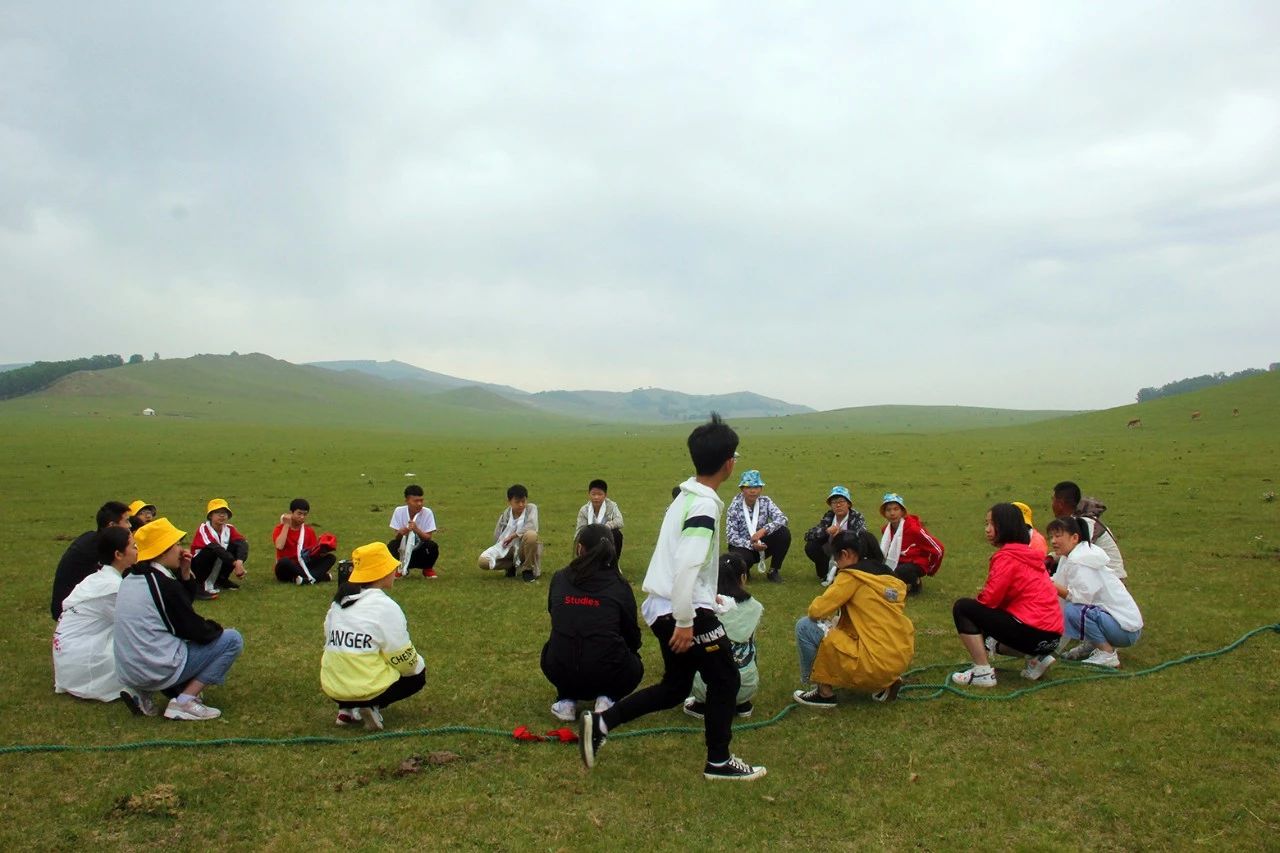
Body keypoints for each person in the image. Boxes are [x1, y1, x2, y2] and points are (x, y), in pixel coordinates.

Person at [580, 413, 766, 782]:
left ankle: (601, 723)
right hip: (682, 609)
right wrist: (685, 621)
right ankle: (718, 761)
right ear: (729, 463)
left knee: (675, 687)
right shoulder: (704, 505)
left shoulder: (685, 495)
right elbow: (687, 564)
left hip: (666, 605)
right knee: (726, 678)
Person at [114, 518, 244, 721]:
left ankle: (142, 693)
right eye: (175, 544)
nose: (180, 549)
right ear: (163, 550)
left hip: (128, 669)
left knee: (172, 641)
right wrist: (216, 631)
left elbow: (179, 605)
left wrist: (185, 573)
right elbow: (191, 628)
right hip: (152, 667)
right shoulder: (162, 585)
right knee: (232, 640)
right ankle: (184, 701)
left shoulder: (131, 577)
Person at [793, 530, 915, 707]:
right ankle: (885, 682)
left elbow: (816, 611)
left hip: (872, 663)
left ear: (846, 554)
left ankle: (823, 692)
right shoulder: (889, 577)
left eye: (836, 557)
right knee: (841, 625)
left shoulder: (851, 576)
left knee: (805, 626)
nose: (835, 562)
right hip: (898, 658)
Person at [951, 503, 1063, 687]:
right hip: (1051, 640)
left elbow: (990, 599)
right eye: (985, 524)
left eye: (990, 524)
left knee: (964, 608)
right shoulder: (1030, 555)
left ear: (1004, 526)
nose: (986, 530)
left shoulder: (1007, 557)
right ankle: (1037, 659)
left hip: (1032, 634)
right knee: (988, 625)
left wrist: (979, 605)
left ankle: (982, 672)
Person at [541, 524, 643, 722]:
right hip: (606, 670)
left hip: (560, 667)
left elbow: (555, 614)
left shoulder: (560, 577)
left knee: (558, 645)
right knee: (634, 662)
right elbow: (632, 635)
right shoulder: (619, 585)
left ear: (580, 548)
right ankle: (607, 698)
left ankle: (566, 699)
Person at [321, 542, 427, 731]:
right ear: (382, 572)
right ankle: (368, 704)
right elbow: (401, 654)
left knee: (356, 657)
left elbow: (328, 637)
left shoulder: (340, 601)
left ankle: (346, 709)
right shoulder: (385, 606)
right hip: (364, 685)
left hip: (333, 685)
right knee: (416, 674)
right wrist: (417, 665)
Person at [53, 527, 153, 713]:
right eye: (133, 546)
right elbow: (135, 625)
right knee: (143, 650)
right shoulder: (111, 587)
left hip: (69, 655)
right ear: (118, 554)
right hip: (79, 660)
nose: (137, 550)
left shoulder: (98, 578)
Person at [1048, 516, 1143, 668]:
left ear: (1074, 538)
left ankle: (1106, 653)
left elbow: (1080, 598)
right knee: (1076, 609)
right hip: (1124, 625)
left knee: (1073, 610)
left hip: (1125, 630)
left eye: (1058, 536)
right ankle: (1094, 645)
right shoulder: (1077, 556)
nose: (1053, 541)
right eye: (1051, 536)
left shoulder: (1080, 560)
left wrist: (1049, 584)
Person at [684, 553, 763, 718]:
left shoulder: (703, 607)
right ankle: (742, 704)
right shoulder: (755, 607)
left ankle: (701, 704)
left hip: (706, 687)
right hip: (746, 685)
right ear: (743, 577)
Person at [50, 501, 131, 621]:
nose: (130, 525)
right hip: (70, 611)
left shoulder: (92, 538)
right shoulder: (98, 550)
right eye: (126, 521)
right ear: (112, 525)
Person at [725, 470, 791, 583]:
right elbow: (731, 537)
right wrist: (751, 545)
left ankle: (773, 571)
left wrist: (764, 530)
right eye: (748, 487)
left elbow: (783, 519)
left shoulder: (766, 501)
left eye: (756, 487)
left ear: (761, 489)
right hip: (742, 546)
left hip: (761, 542)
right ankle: (744, 570)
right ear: (742, 489)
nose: (753, 491)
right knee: (742, 560)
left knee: (783, 532)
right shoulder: (734, 507)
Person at [1050, 481, 1126, 580]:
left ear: (1060, 504)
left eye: (1053, 500)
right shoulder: (1076, 520)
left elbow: (1075, 553)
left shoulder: (1085, 522)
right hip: (1099, 575)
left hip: (1112, 579)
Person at [878, 493, 945, 595]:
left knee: (902, 571)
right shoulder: (885, 530)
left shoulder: (914, 529)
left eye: (896, 509)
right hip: (897, 561)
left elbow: (939, 549)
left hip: (916, 563)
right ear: (884, 513)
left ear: (902, 511)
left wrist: (931, 569)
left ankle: (916, 583)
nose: (892, 513)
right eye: (888, 510)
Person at [477, 484, 542, 583]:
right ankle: (511, 566)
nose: (521, 505)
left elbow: (532, 526)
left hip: (523, 549)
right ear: (509, 502)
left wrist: (513, 536)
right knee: (483, 562)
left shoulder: (531, 509)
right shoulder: (505, 515)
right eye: (517, 502)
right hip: (508, 550)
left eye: (523, 501)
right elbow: (497, 536)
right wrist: (500, 549)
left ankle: (527, 570)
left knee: (531, 535)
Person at [802, 486, 867, 583]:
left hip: (849, 553)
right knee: (811, 546)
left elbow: (861, 537)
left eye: (841, 501)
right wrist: (826, 531)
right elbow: (808, 535)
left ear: (848, 504)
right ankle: (824, 573)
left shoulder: (857, 517)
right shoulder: (829, 516)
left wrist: (843, 535)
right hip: (832, 551)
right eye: (834, 502)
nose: (838, 505)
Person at [190, 498, 248, 598]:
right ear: (210, 516)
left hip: (218, 559)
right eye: (217, 512)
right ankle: (197, 586)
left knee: (237, 547)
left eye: (224, 512)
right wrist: (235, 564)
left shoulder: (229, 528)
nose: (222, 515)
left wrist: (239, 562)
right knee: (211, 551)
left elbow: (242, 543)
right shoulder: (203, 528)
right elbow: (215, 548)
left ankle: (221, 579)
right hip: (197, 565)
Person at [273, 498, 337, 584]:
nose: (302, 517)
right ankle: (317, 577)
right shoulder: (280, 529)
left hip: (304, 565)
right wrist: (286, 525)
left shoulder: (309, 531)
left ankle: (303, 579)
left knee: (331, 558)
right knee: (284, 561)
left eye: (305, 514)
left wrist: (321, 551)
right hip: (286, 567)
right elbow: (279, 546)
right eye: (299, 514)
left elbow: (312, 554)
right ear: (291, 513)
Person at [388, 484, 440, 579]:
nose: (419, 504)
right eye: (416, 501)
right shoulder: (399, 511)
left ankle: (427, 568)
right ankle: (401, 568)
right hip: (403, 550)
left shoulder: (427, 512)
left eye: (421, 500)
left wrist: (417, 530)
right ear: (407, 501)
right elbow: (397, 537)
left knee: (432, 546)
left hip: (420, 550)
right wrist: (401, 532)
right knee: (392, 545)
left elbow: (428, 537)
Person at [574, 479, 625, 562]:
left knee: (617, 534)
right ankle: (586, 563)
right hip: (590, 539)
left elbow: (620, 521)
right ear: (589, 495)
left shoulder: (611, 506)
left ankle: (613, 563)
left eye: (600, 494)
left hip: (606, 538)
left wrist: (606, 527)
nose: (596, 497)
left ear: (605, 495)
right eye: (593, 494)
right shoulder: (584, 510)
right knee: (580, 538)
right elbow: (579, 530)